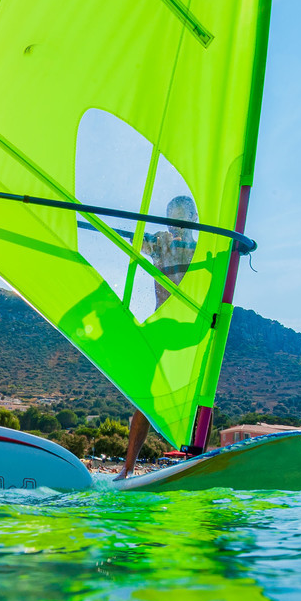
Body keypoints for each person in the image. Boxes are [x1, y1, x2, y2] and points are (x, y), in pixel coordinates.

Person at [120, 195, 198, 479]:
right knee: (145, 397)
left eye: (181, 217)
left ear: (192, 219)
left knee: (199, 394)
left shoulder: (202, 250)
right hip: (161, 325)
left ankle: (196, 458)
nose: (175, 224)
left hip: (191, 328)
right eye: (171, 217)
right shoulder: (160, 241)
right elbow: (135, 241)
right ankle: (128, 467)